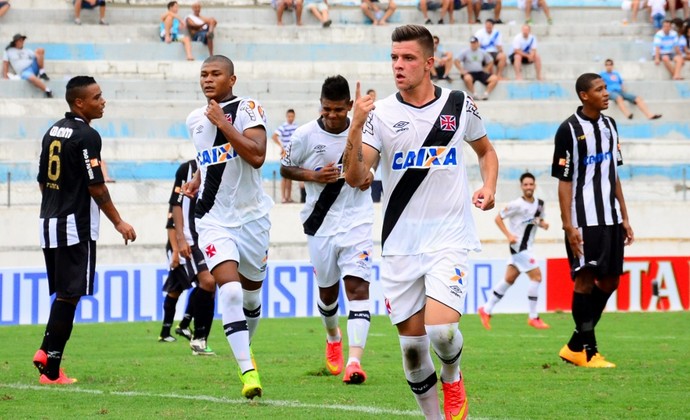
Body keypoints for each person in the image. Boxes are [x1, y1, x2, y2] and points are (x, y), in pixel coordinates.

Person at [344, 24, 498, 420]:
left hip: (449, 239)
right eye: (394, 57)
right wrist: (356, 125)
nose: (399, 65)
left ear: (430, 63)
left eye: (408, 58)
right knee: (412, 353)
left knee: (442, 333)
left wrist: (489, 185)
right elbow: (356, 178)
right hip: (399, 245)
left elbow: (485, 151)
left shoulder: (459, 105)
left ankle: (453, 375)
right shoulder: (379, 115)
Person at [32, 75, 137, 384]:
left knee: (66, 294)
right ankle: (51, 370)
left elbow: (42, 178)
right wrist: (119, 222)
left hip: (49, 222)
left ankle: (44, 351)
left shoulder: (53, 130)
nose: (102, 101)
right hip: (75, 226)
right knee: (69, 295)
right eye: (96, 97)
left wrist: (56, 203)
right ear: (79, 102)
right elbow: (96, 185)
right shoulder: (87, 135)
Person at [182, 55, 272, 399]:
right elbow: (210, 160)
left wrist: (224, 123)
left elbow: (257, 155)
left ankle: (244, 350)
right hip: (213, 219)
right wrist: (197, 178)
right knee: (230, 292)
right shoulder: (194, 119)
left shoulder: (248, 108)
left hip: (253, 220)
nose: (208, 79)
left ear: (231, 79)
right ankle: (248, 371)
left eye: (215, 74)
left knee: (250, 297)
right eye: (203, 74)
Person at [280, 75, 374, 385]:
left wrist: (369, 176)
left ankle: (355, 361)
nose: (331, 115)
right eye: (326, 109)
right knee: (328, 291)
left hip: (357, 220)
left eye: (337, 109)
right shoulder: (306, 134)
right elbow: (284, 167)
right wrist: (312, 175)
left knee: (358, 288)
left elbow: (373, 166)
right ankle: (333, 336)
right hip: (320, 222)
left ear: (349, 105)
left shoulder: (365, 130)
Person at [551, 73, 635, 368]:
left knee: (610, 279)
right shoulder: (568, 130)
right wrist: (568, 225)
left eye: (605, 88)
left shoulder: (611, 126)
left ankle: (575, 344)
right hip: (583, 218)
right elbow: (563, 182)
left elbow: (613, 173)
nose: (606, 93)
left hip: (610, 216)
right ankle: (588, 351)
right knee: (585, 278)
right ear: (584, 95)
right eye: (599, 89)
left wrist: (624, 215)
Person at [478, 172, 550, 330]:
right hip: (518, 246)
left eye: (531, 184)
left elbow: (536, 219)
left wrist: (543, 224)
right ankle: (533, 317)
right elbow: (498, 218)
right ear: (521, 187)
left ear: (535, 185)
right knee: (537, 277)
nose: (528, 187)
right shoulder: (516, 204)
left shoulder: (540, 204)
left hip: (528, 246)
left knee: (509, 279)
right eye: (526, 184)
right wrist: (508, 235)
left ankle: (486, 309)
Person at [159, 159, 217, 356]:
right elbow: (176, 204)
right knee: (207, 281)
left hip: (214, 234)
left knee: (211, 285)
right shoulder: (187, 169)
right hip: (192, 238)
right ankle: (195, 337)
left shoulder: (219, 163)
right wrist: (180, 239)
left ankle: (198, 336)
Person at [2, 34, 53, 98]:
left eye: (23, 40)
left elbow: (36, 56)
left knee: (40, 50)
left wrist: (39, 56)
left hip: (33, 66)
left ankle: (42, 72)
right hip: (24, 70)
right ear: (16, 42)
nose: (22, 42)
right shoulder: (8, 51)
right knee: (31, 77)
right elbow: (5, 63)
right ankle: (47, 90)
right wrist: (5, 76)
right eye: (20, 41)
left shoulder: (27, 50)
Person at [455, 36, 498, 100]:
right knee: (467, 78)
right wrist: (461, 70)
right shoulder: (465, 52)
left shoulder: (482, 52)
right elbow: (456, 61)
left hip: (480, 72)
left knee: (494, 78)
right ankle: (474, 94)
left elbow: (490, 61)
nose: (473, 44)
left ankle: (486, 94)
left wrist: (486, 68)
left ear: (477, 43)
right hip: (469, 72)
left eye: (474, 43)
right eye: (472, 43)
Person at [272, 109, 299, 203]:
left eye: (292, 116)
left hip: (293, 154)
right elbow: (274, 136)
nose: (290, 118)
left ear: (294, 116)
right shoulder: (283, 126)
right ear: (286, 116)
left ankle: (289, 197)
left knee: (290, 176)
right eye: (289, 116)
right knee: (284, 176)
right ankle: (283, 197)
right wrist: (282, 146)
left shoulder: (296, 127)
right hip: (285, 154)